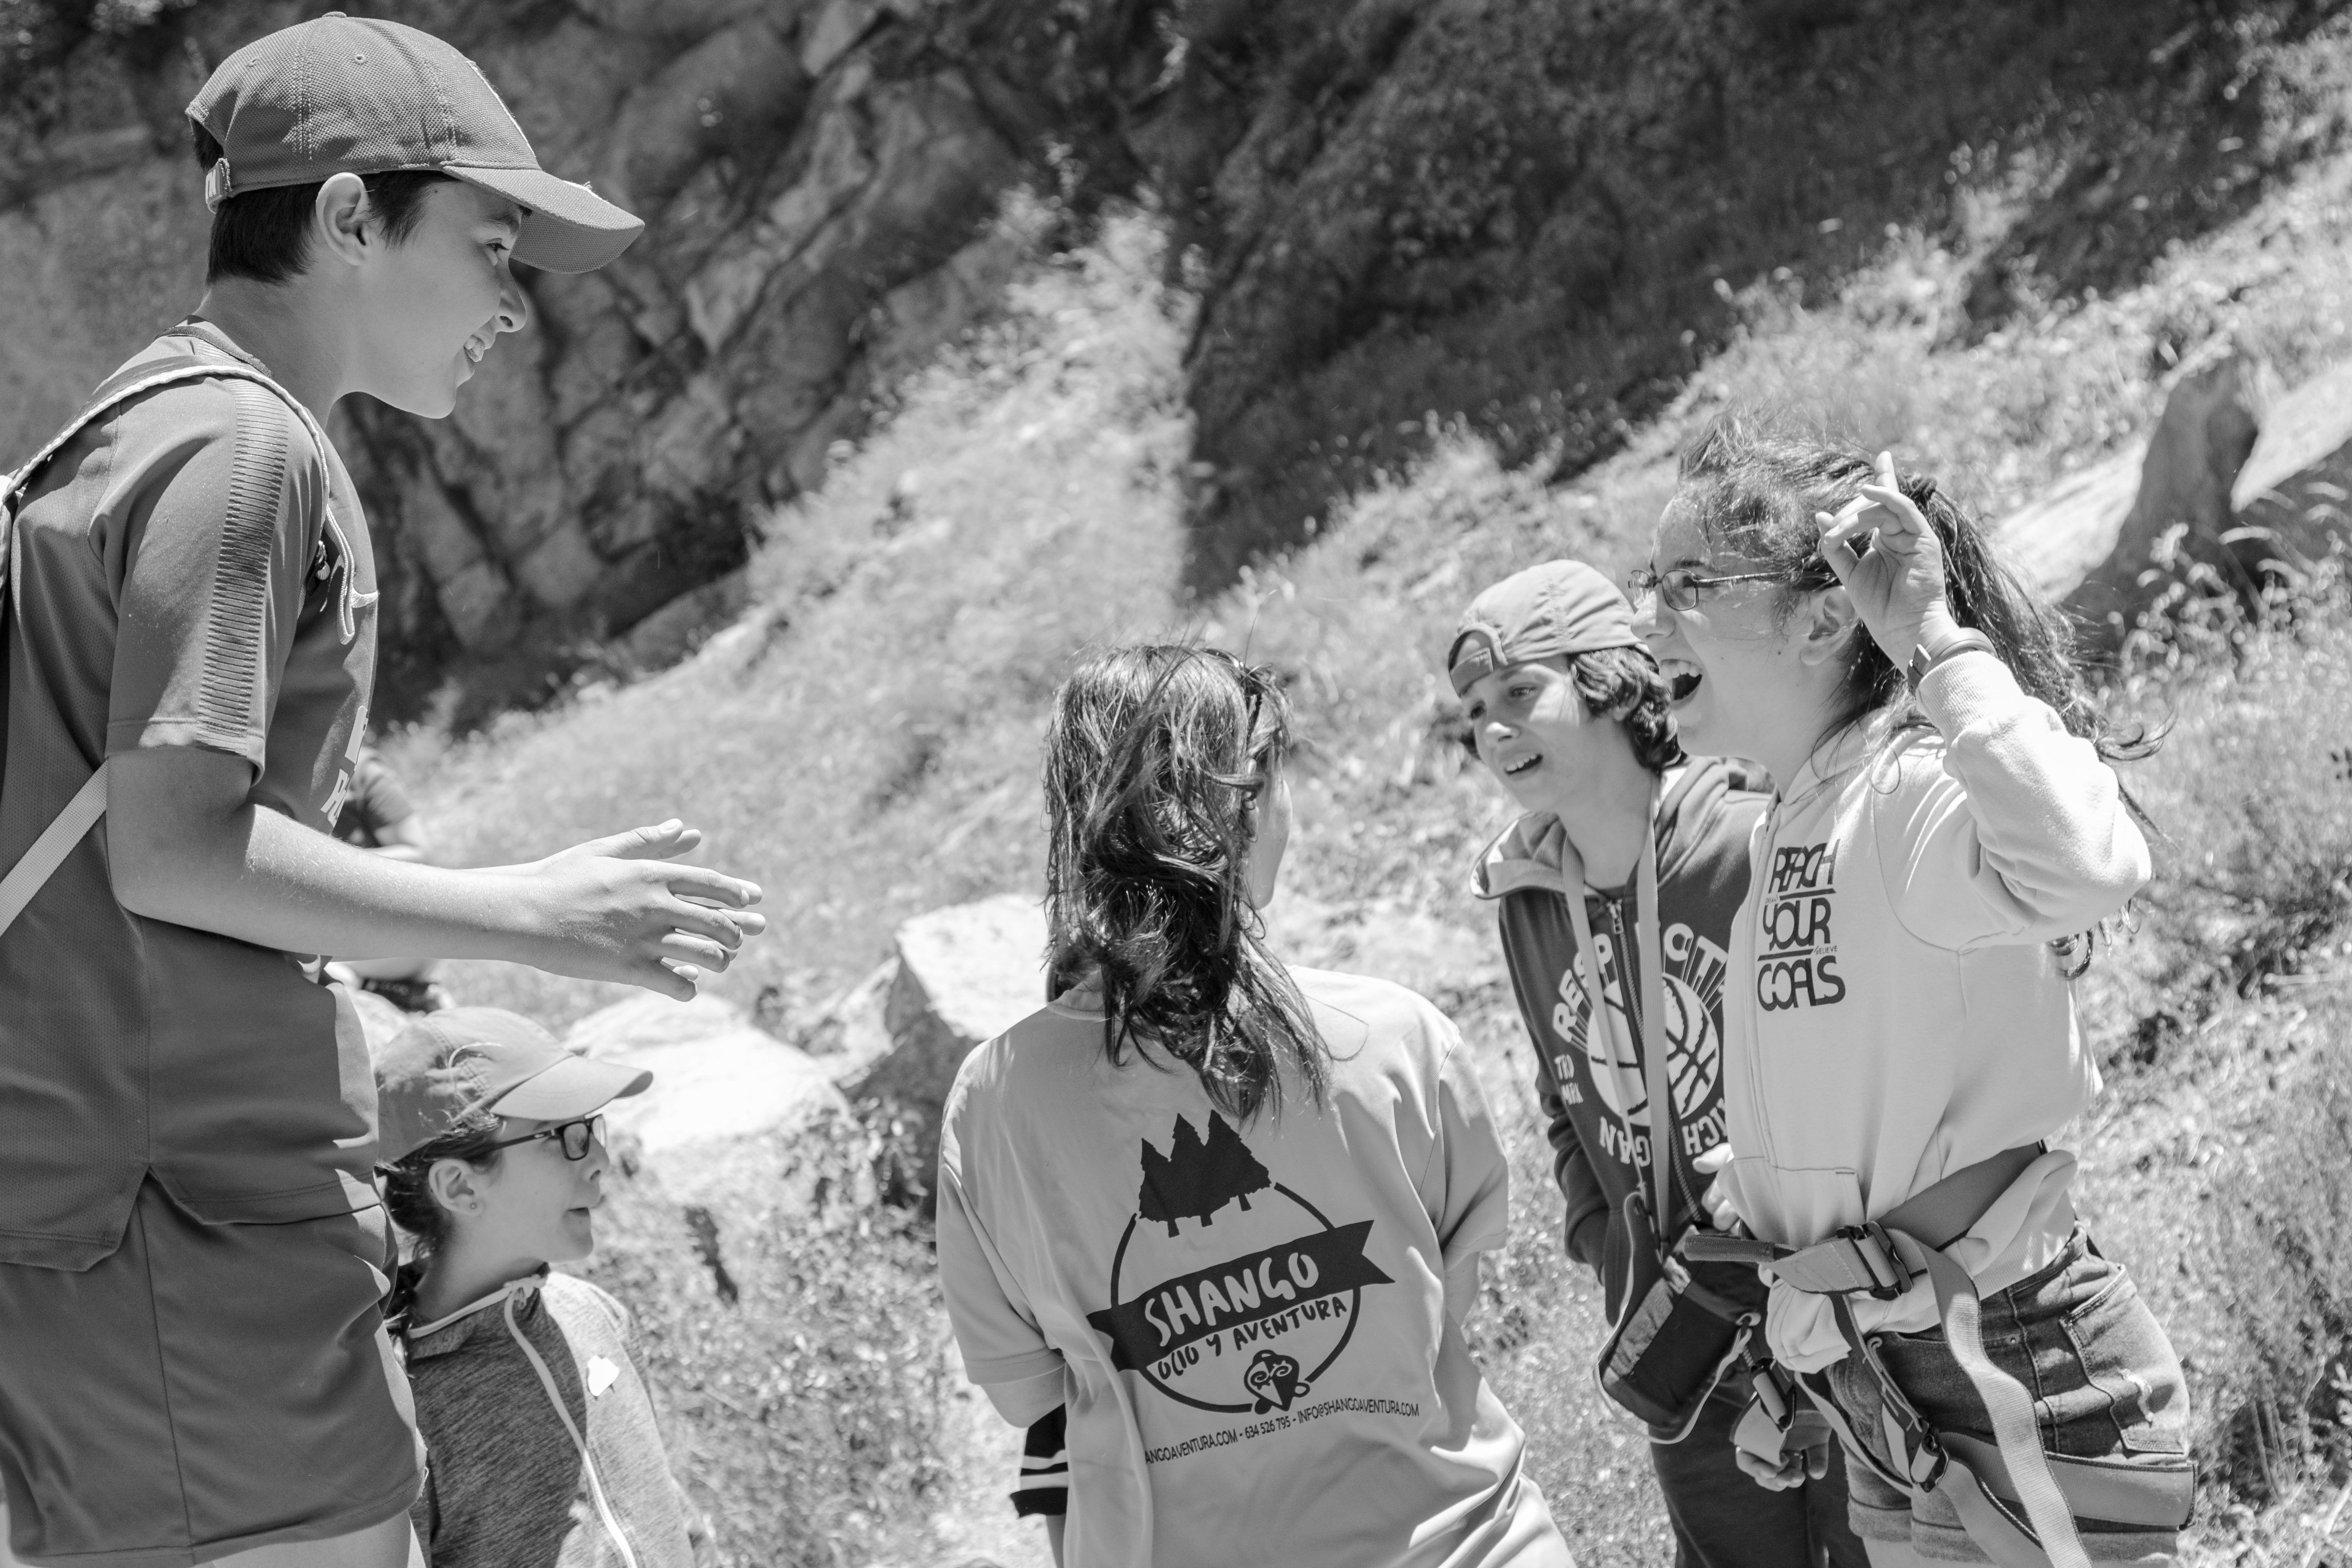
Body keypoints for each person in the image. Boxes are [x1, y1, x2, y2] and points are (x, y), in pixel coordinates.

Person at [0, 17, 764, 1568]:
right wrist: (532, 909)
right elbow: (172, 845)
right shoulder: (240, 449)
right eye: (490, 245)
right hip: (186, 1234)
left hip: (129, 1234)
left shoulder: (130, 432)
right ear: (350, 216)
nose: (512, 301)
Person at [1636, 414, 2195, 1567]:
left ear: (1824, 617)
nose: (1650, 621)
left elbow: (2091, 865)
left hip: (2015, 1364)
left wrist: (1935, 640)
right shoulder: (1789, 822)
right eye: (1650, 585)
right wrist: (1808, 1356)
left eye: (1687, 586)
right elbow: (1835, 1141)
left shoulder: (1907, 789)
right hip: (1886, 1386)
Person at [936, 644, 1571, 1568]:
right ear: (1249, 801)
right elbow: (1446, 1294)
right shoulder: (1391, 1037)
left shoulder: (994, 1103)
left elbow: (1032, 1396)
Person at [1449, 560, 1863, 1568]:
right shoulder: (1527, 897)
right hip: (1679, 1330)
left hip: (1829, 1305)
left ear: (1606, 681)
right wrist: (1608, 1245)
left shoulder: (1749, 837)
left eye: (1519, 691)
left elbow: (1852, 1050)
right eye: (1475, 710)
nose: (1494, 728)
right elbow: (1562, 1096)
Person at [375, 1007, 708, 1568]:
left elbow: (675, 1517)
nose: (600, 1160)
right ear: (460, 1186)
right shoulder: (401, 1408)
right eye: (562, 1137)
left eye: (592, 1128)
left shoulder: (597, 1316)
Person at [329, 745, 452, 1012]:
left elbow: (419, 854)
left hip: (402, 929)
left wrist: (327, 865)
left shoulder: (361, 771)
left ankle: (382, 990)